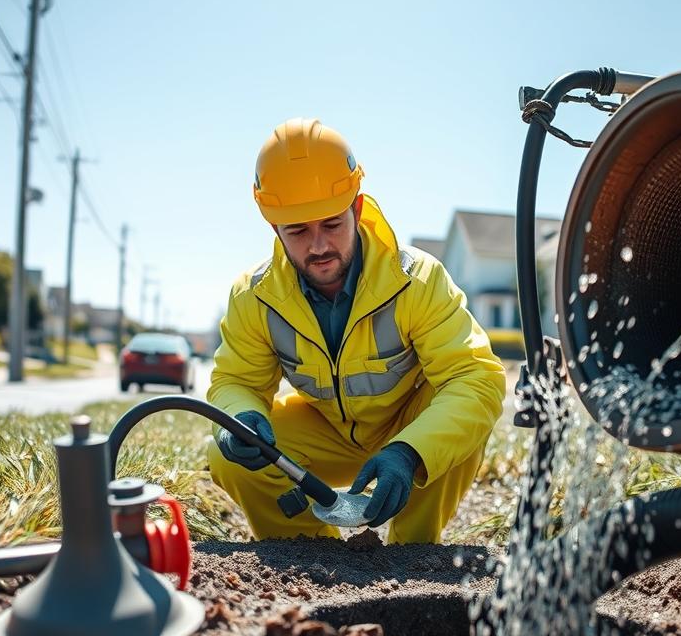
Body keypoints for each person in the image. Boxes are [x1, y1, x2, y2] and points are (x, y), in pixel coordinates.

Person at [206, 117, 506, 544]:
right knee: (225, 450)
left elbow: (477, 379)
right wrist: (241, 416)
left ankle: (413, 556)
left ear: (357, 208)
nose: (319, 246)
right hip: (323, 434)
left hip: (408, 430)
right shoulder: (254, 297)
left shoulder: (417, 280)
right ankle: (312, 555)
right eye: (298, 231)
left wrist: (410, 452)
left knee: (459, 421)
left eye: (331, 224)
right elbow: (235, 381)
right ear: (275, 228)